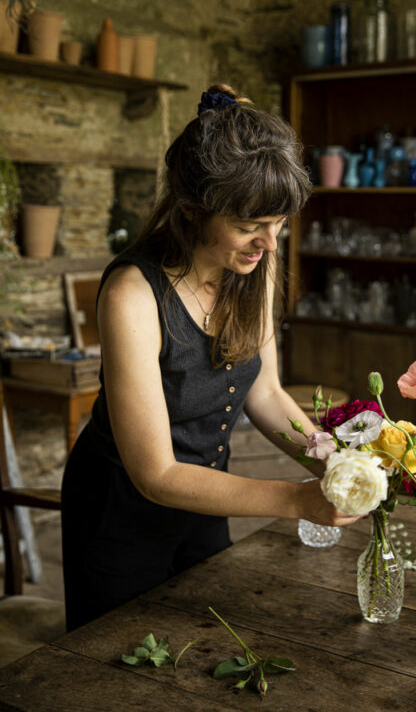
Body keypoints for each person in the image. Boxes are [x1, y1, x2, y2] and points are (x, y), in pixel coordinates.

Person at [61, 84, 361, 631]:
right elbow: (155, 474)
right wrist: (298, 500)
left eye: (279, 223)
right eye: (248, 227)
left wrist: (339, 465)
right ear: (191, 211)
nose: (269, 244)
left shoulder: (251, 266)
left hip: (206, 500)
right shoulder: (132, 294)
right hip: (119, 517)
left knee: (206, 643)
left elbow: (266, 392)